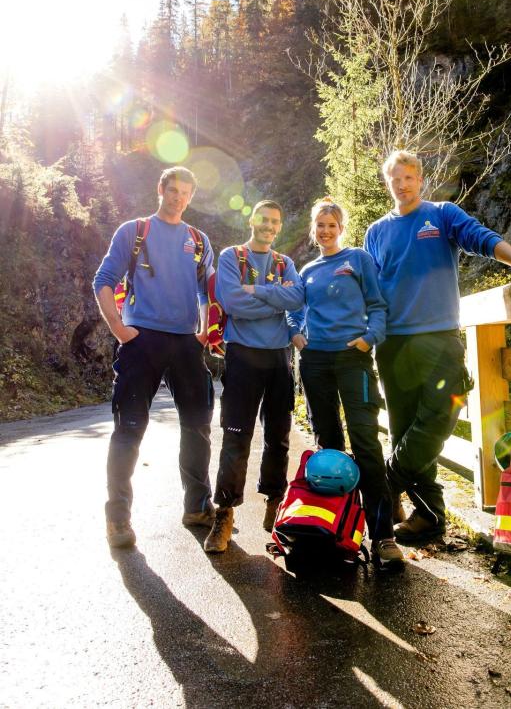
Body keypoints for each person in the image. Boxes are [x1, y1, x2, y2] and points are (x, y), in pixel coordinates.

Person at [364, 150, 511, 544]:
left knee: (439, 418)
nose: (402, 184)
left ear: (420, 179)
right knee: (405, 428)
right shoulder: (376, 232)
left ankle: (388, 482)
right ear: (387, 182)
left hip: (440, 340)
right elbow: (371, 291)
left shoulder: (441, 214)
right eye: (395, 178)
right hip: (393, 345)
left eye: (409, 177)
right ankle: (430, 517)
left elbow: (483, 239)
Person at [93, 166, 215, 549]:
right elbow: (104, 280)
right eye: (172, 190)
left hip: (186, 344)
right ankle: (118, 520)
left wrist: (203, 333)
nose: (178, 197)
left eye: (185, 193)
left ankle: (197, 506)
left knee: (197, 426)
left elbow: (208, 291)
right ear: (160, 188)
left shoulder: (198, 240)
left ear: (191, 197)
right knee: (129, 428)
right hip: (140, 341)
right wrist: (121, 331)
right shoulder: (134, 231)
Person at [288, 198, 405, 565]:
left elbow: (377, 305)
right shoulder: (307, 270)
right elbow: (295, 311)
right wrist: (296, 334)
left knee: (365, 441)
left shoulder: (357, 259)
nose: (325, 231)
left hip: (353, 358)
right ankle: (339, 529)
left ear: (341, 228)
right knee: (329, 444)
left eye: (332, 225)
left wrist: (370, 338)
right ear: (313, 229)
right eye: (320, 225)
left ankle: (383, 536)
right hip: (316, 361)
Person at [204, 200, 304, 553]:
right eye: (264, 219)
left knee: (279, 436)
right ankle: (225, 513)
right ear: (252, 220)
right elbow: (232, 302)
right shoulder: (232, 257)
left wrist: (258, 292)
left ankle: (275, 502)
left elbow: (297, 297)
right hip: (242, 355)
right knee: (236, 435)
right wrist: (275, 301)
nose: (269, 226)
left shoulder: (284, 263)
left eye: (275, 221)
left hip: (279, 358)